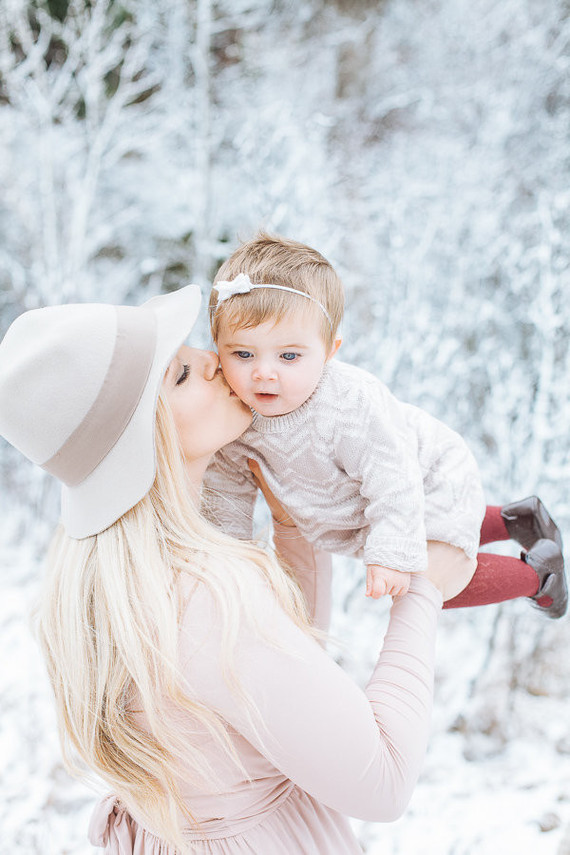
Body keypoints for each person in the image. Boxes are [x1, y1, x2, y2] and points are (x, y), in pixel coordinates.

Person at [0, 286, 467, 854]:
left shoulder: (110, 579)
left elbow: (274, 690)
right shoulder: (204, 596)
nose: (214, 360)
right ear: (145, 439)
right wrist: (423, 589)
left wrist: (295, 530)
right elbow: (384, 783)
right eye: (180, 375)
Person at [205, 233, 567, 617]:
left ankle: (542, 576)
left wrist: (393, 553)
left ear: (330, 352)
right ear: (218, 347)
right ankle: (514, 519)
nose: (263, 373)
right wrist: (228, 564)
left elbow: (393, 477)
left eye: (289, 356)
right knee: (430, 535)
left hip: (426, 473)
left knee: (428, 584)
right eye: (243, 353)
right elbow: (226, 497)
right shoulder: (232, 418)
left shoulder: (347, 403)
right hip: (368, 505)